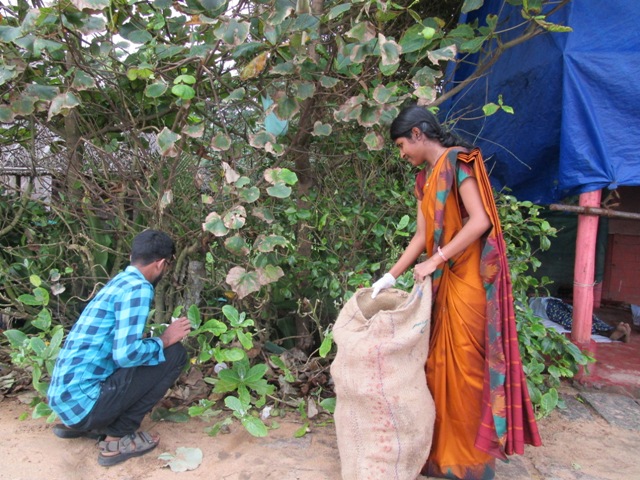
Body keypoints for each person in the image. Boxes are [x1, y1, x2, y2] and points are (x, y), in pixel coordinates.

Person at [371, 105, 542, 479]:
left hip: (468, 283)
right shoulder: (424, 178)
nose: (402, 153)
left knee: (466, 371)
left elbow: (480, 221)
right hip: (441, 285)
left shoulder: (457, 162)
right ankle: (440, 457)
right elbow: (421, 236)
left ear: (418, 133)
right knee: (436, 368)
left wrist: (437, 259)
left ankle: (470, 464)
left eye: (402, 145)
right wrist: (388, 278)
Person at [47, 229, 191, 467]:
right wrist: (165, 339)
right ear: (161, 264)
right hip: (85, 407)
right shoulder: (139, 288)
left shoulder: (119, 282)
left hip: (66, 402)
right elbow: (126, 355)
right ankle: (117, 438)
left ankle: (86, 424)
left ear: (133, 256)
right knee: (175, 354)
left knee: (152, 351)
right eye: (167, 265)